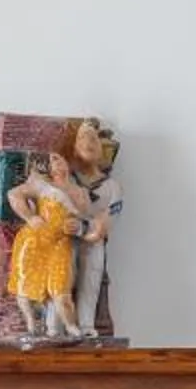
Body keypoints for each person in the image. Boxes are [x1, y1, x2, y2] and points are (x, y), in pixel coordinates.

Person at [4, 150, 92, 340]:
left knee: (60, 291)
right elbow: (13, 195)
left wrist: (79, 227)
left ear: (68, 163)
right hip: (36, 239)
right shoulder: (42, 185)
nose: (55, 163)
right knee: (24, 284)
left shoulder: (81, 192)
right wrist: (30, 217)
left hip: (61, 242)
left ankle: (72, 327)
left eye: (58, 158)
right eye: (51, 160)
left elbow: (88, 222)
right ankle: (30, 324)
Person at [64, 119, 123, 339]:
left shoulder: (112, 188)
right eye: (82, 138)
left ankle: (86, 326)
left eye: (94, 139)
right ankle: (57, 324)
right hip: (64, 239)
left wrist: (84, 227)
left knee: (91, 277)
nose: (88, 142)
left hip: (90, 241)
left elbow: (104, 225)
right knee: (61, 279)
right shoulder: (66, 180)